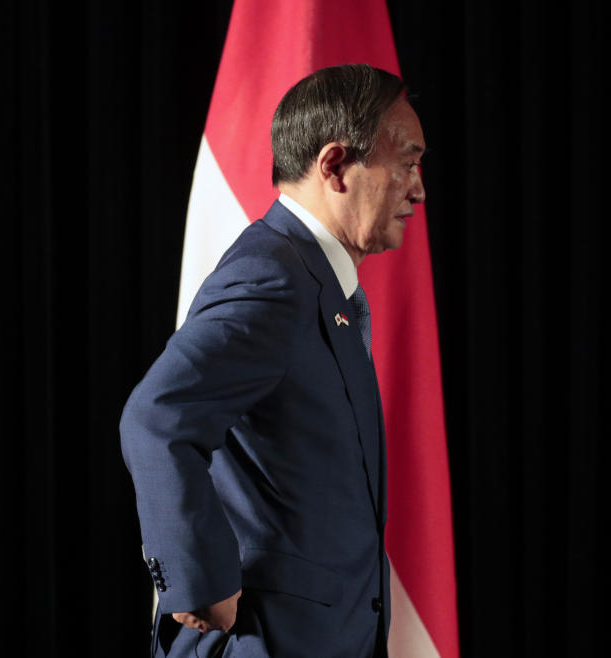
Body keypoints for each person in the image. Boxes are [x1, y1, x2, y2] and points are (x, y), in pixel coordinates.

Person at [120, 64, 426, 658]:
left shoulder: (316, 283)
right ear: (335, 165)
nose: (418, 189)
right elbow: (156, 415)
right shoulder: (274, 277)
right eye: (408, 162)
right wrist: (197, 578)